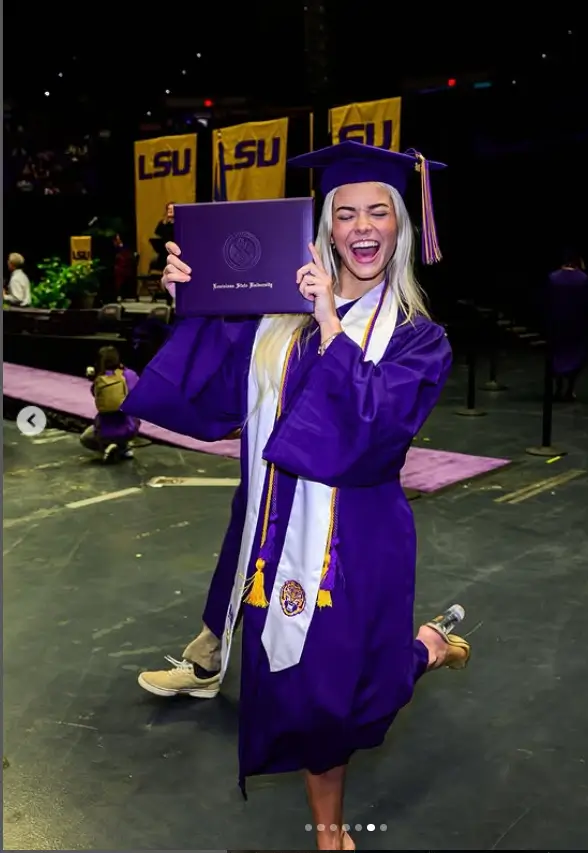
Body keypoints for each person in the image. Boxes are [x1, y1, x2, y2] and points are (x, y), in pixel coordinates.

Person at [123, 141, 471, 851]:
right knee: (297, 690)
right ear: (326, 228)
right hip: (271, 532)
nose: (362, 226)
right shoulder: (274, 319)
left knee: (341, 694)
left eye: (379, 211)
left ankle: (419, 654)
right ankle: (331, 829)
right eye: (345, 213)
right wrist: (192, 302)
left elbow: (373, 431)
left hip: (358, 542)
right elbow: (213, 400)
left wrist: (329, 321)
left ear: (401, 228)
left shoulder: (417, 338)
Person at [546, 251, 588, 401]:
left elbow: (544, 302)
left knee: (556, 354)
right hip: (578, 325)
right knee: (575, 355)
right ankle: (570, 388)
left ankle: (558, 387)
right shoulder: (584, 280)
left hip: (556, 324)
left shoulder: (552, 278)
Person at [81, 345, 140, 462]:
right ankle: (124, 446)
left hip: (104, 430)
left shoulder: (100, 379)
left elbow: (95, 394)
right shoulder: (130, 374)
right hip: (130, 427)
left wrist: (94, 377)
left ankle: (110, 447)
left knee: (85, 438)